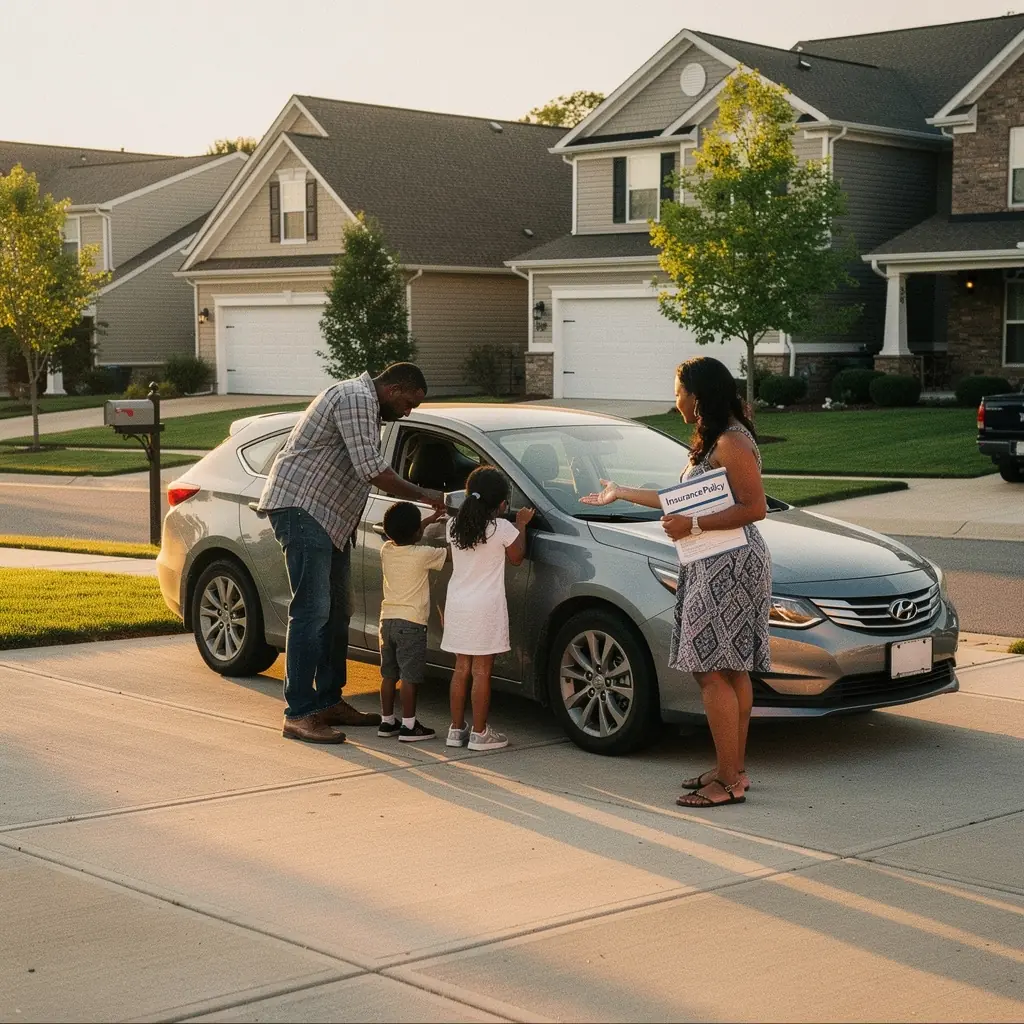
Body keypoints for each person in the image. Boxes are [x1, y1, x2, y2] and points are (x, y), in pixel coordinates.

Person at [581, 356, 771, 808]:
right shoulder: (715, 441)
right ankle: (733, 769)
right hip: (712, 560)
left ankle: (727, 781)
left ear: (698, 394)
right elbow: (679, 498)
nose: (676, 402)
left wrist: (695, 526)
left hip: (730, 563)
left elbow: (755, 507)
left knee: (712, 670)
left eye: (678, 392)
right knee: (729, 668)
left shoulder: (731, 443)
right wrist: (621, 492)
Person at [258, 363, 445, 744]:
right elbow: (373, 471)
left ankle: (328, 701)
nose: (409, 411)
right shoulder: (355, 398)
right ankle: (299, 713)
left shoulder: (367, 406)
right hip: (303, 510)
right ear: (394, 389)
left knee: (338, 611)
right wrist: (429, 496)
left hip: (329, 521)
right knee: (312, 611)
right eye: (409, 403)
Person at [442, 466, 534, 752]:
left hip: (457, 605)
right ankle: (480, 733)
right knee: (482, 672)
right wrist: (522, 524)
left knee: (461, 669)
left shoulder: (453, 526)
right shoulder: (501, 528)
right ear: (501, 504)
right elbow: (517, 557)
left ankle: (456, 730)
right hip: (486, 607)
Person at [376, 501, 448, 742]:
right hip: (412, 624)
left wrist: (425, 521)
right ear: (418, 532)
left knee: (389, 674)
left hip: (387, 622)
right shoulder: (424, 554)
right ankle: (409, 726)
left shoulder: (386, 549)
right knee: (409, 676)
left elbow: (406, 533)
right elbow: (450, 554)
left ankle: (387, 722)